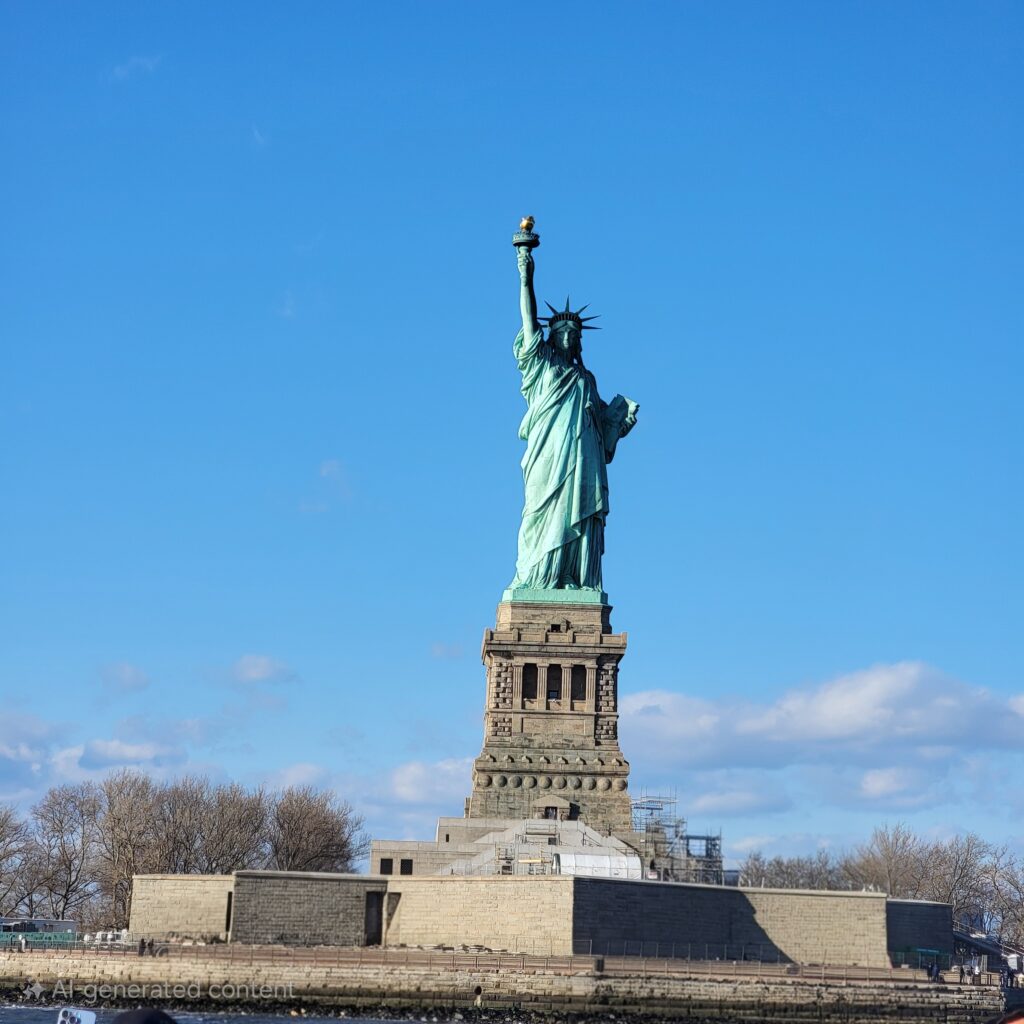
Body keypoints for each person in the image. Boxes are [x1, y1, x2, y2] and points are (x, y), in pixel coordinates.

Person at [507, 244, 638, 595]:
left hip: (583, 460)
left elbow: (603, 437)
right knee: (540, 513)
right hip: (548, 457)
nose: (568, 336)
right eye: (562, 331)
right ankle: (539, 577)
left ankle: (574, 578)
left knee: (576, 512)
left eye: (574, 334)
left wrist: (617, 424)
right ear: (551, 336)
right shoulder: (542, 366)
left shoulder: (587, 380)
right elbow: (528, 319)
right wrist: (525, 276)